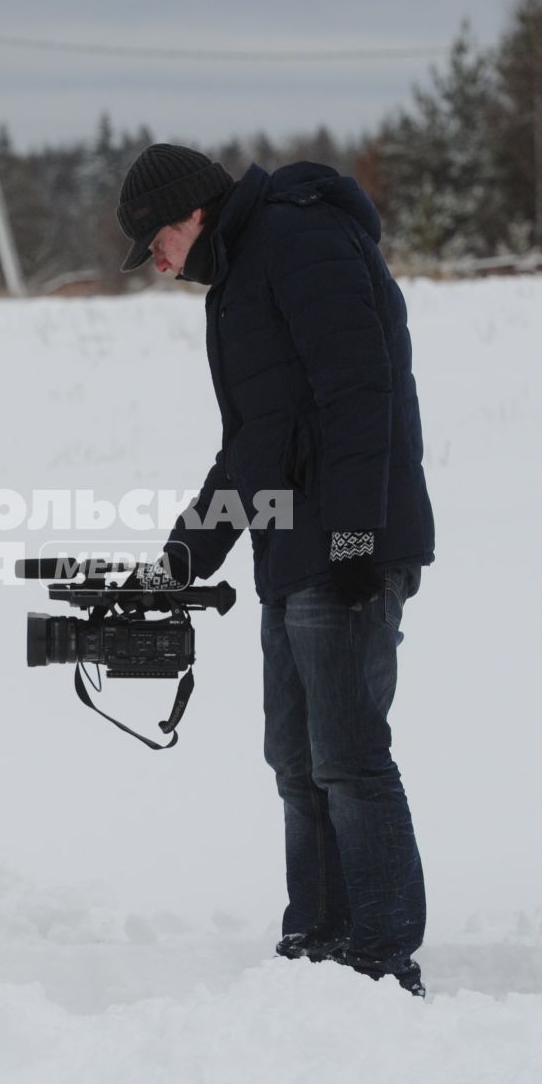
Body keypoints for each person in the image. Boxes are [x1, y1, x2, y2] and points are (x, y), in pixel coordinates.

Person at [117, 143, 436, 996]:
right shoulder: (240, 281)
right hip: (294, 547)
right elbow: (257, 445)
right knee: (295, 759)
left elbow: (360, 388)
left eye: (155, 242)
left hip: (344, 546)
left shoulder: (300, 241)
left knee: (349, 757)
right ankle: (319, 940)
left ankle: (380, 956)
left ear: (190, 213)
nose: (157, 262)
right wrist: (189, 551)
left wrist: (358, 538)